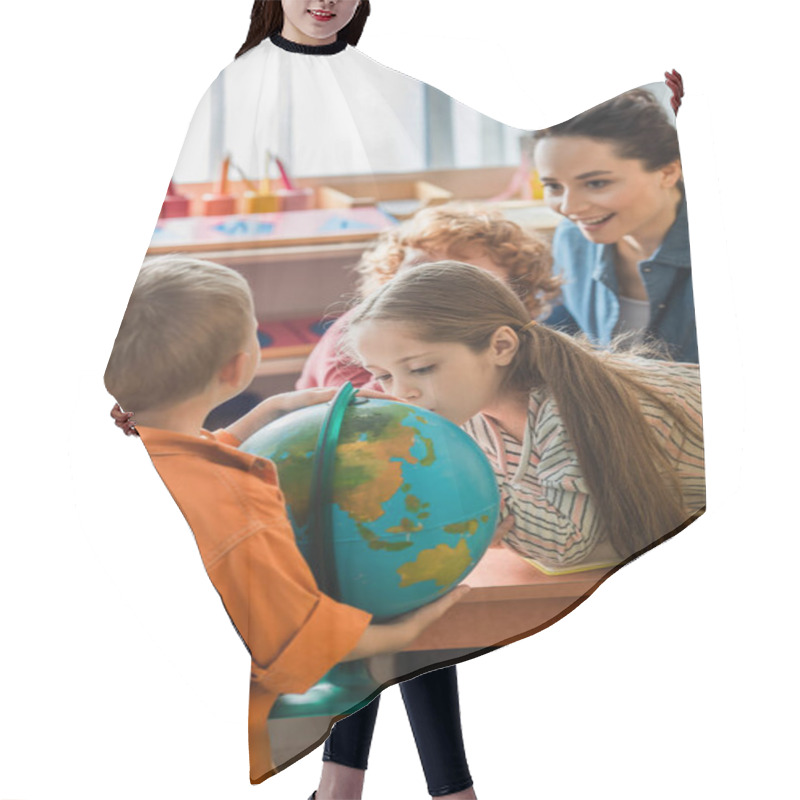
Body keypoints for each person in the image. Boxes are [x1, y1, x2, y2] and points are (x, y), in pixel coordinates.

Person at [103, 255, 467, 785]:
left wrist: (261, 417)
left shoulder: (117, 451)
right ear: (236, 367)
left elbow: (181, 473)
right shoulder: (237, 501)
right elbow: (295, 641)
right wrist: (405, 633)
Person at [347, 261, 705, 570]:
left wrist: (471, 496)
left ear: (500, 347)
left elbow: (565, 543)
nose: (400, 393)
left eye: (422, 368)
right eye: (383, 376)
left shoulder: (567, 408)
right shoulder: (469, 409)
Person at [297, 202, 561, 392]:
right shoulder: (355, 333)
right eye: (419, 270)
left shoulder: (501, 342)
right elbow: (356, 418)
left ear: (511, 302)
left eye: (465, 282)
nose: (430, 290)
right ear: (391, 273)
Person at [533, 89, 698, 363]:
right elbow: (564, 331)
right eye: (553, 186)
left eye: (596, 183)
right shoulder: (572, 239)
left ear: (668, 172)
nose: (569, 207)